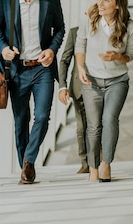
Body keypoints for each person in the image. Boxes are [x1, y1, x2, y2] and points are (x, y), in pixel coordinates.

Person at [0, 0, 65, 184]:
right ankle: (25, 165)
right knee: (21, 120)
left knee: (42, 117)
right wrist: (3, 49)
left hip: (42, 69)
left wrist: (51, 50)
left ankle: (29, 161)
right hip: (17, 71)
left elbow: (59, 29)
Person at [74, 0, 133, 182]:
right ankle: (93, 168)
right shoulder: (89, 21)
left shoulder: (130, 26)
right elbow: (80, 45)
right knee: (93, 126)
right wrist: (81, 68)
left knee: (109, 119)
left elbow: (131, 55)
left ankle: (106, 164)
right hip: (91, 81)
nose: (100, 3)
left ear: (118, 5)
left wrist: (116, 57)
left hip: (117, 81)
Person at [58, 26, 89, 174]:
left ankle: (99, 159)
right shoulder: (75, 33)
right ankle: (85, 162)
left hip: (101, 87)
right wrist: (62, 86)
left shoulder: (106, 30)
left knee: (100, 124)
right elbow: (64, 60)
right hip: (78, 87)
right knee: (82, 127)